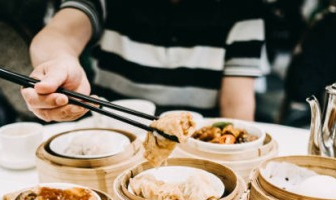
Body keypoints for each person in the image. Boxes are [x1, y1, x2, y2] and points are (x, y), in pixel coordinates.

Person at [21, 0, 266, 123]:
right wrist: (59, 64)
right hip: (112, 136)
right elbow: (60, 33)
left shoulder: (243, 10)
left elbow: (237, 108)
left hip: (193, 147)